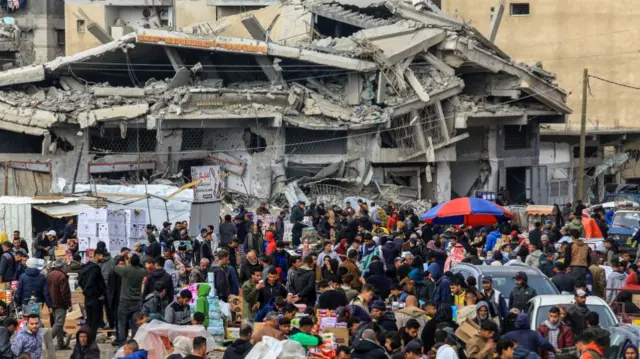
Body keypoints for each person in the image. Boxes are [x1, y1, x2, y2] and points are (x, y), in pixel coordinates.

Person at [115, 254, 147, 346]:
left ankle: (122, 344)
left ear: (130, 262)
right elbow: (145, 269)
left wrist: (120, 258)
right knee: (135, 324)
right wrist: (139, 262)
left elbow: (114, 266)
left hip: (124, 301)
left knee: (122, 323)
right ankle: (134, 344)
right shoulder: (141, 271)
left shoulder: (125, 270)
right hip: (136, 301)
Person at [78, 249, 106, 341]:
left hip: (87, 298)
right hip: (95, 298)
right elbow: (92, 282)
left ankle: (86, 339)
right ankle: (91, 340)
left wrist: (85, 291)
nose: (103, 258)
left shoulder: (86, 267)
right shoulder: (95, 268)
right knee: (94, 322)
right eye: (102, 255)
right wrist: (99, 294)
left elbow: (80, 281)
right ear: (97, 255)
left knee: (89, 320)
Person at [47, 259, 71, 350]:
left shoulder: (49, 274)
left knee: (58, 323)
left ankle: (60, 343)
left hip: (52, 302)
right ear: (63, 266)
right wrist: (68, 303)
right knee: (59, 324)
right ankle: (46, 340)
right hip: (60, 302)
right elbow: (64, 292)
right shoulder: (61, 276)